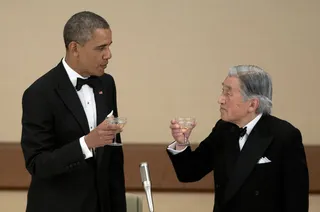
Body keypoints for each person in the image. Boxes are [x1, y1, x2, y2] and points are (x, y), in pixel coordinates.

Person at [20, 11, 126, 212]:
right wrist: (85, 143)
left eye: (109, 46)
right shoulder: (39, 93)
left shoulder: (107, 83)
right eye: (101, 48)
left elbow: (113, 157)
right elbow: (37, 163)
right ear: (75, 48)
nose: (108, 54)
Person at [167, 65, 309, 212]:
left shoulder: (284, 135)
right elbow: (190, 173)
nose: (220, 99)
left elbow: (296, 201)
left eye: (228, 93)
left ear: (252, 104)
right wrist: (181, 143)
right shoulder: (223, 129)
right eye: (223, 91)